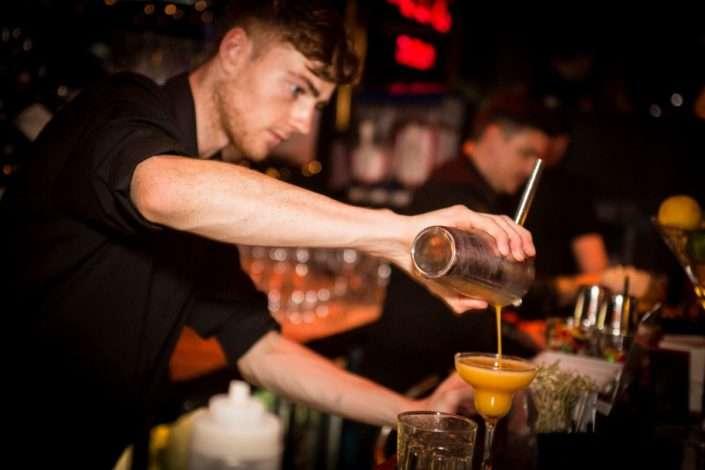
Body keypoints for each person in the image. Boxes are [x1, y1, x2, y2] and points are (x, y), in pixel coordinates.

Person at [0, 1, 535, 467]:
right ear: (234, 50)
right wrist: (394, 235)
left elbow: (261, 350)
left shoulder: (202, 199)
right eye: (297, 88)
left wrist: (417, 415)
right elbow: (159, 191)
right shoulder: (120, 108)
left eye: (318, 105)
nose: (304, 123)